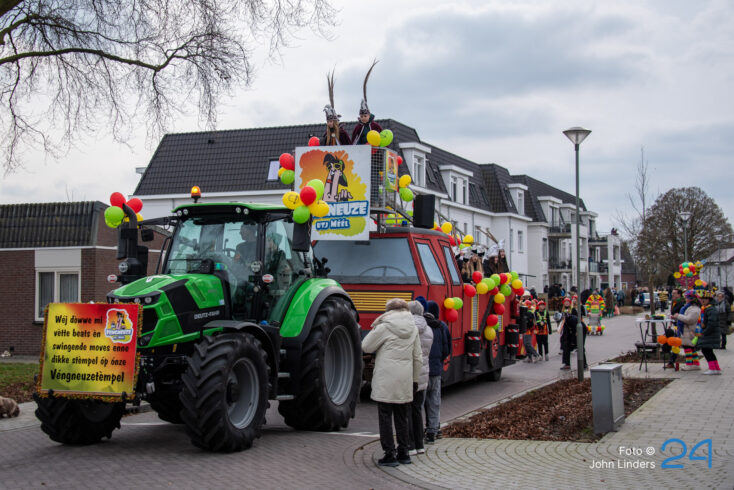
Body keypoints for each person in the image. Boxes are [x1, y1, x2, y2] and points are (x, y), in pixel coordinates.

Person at [362, 298, 422, 467]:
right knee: (402, 416)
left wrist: (376, 327)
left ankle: (390, 454)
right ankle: (404, 452)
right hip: (405, 378)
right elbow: (418, 358)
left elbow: (366, 346)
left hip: (386, 377)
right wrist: (415, 380)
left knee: (385, 416)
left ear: (389, 310)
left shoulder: (385, 326)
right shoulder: (413, 328)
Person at [422, 299, 451, 445]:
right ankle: (433, 430)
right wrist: (440, 360)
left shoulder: (421, 326)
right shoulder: (442, 326)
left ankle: (418, 431)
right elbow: (447, 349)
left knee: (419, 403)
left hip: (422, 370)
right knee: (434, 401)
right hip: (436, 370)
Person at [406, 301, 432, 456]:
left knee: (407, 410)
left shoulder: (408, 328)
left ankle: (409, 445)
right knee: (417, 410)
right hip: (423, 374)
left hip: (410, 374)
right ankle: (419, 444)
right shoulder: (428, 330)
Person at [351, 60, 383, 145]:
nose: (363, 118)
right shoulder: (358, 127)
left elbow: (382, 137)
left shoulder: (375, 126)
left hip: (374, 150)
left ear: (369, 115)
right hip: (362, 150)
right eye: (361, 116)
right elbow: (355, 140)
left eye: (365, 116)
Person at [672, 290, 702, 370]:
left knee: (688, 348)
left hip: (689, 331)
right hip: (686, 331)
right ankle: (695, 364)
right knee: (690, 348)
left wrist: (678, 316)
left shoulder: (694, 309)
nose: (685, 299)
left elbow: (689, 319)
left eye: (687, 298)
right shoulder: (689, 307)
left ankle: (689, 364)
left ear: (691, 299)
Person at [321, 71, 351, 146]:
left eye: (331, 121)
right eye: (328, 121)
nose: (329, 123)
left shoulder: (342, 133)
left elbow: (349, 147)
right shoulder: (326, 135)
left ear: (334, 121)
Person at [697, 290, 722, 374]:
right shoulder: (706, 308)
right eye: (701, 299)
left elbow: (712, 323)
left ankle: (712, 369)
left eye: (704, 299)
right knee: (708, 351)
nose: (702, 300)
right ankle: (716, 368)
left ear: (709, 300)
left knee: (706, 351)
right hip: (709, 333)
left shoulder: (710, 309)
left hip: (709, 334)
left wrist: (705, 332)